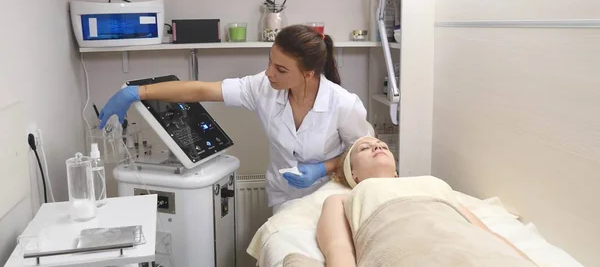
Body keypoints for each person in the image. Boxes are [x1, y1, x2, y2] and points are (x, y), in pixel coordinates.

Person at [97, 24, 373, 212]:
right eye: (269, 62)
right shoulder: (263, 88)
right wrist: (137, 92)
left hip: (330, 197)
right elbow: (202, 89)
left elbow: (364, 153)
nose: (268, 73)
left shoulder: (344, 104)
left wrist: (322, 168)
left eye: (280, 69)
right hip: (284, 198)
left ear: (308, 74)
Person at [316, 136, 537, 267]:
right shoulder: (345, 198)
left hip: (476, 251)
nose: (378, 147)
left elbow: (488, 235)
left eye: (383, 145)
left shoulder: (433, 183)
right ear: (353, 174)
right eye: (365, 148)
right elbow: (338, 248)